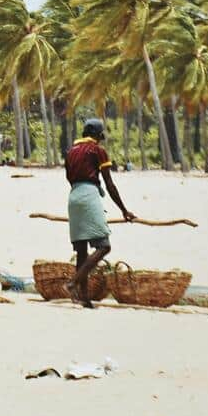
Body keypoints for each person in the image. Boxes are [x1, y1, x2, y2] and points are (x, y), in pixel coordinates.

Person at [65, 118, 134, 308]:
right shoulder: (97, 150)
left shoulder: (71, 151)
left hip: (73, 197)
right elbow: (109, 183)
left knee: (81, 251)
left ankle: (84, 298)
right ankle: (73, 283)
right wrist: (124, 210)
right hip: (89, 196)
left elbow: (69, 177)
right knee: (104, 246)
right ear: (98, 135)